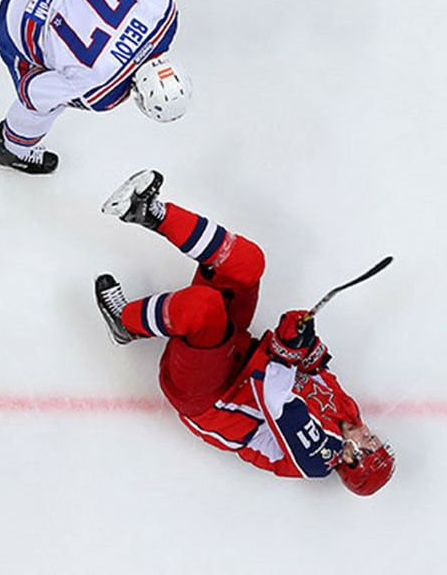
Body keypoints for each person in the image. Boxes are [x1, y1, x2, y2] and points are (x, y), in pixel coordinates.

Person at [93, 170, 395, 494]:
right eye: (376, 440)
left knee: (203, 307)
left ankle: (125, 324)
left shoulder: (318, 456)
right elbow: (315, 368)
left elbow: (277, 399)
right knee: (247, 263)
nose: (370, 434)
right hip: (236, 351)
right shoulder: (349, 413)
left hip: (208, 393)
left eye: (370, 444)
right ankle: (151, 213)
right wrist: (303, 338)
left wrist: (285, 350)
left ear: (352, 458)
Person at [0, 0, 190, 175]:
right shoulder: (102, 93)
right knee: (46, 100)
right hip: (14, 17)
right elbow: (34, 93)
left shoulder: (163, 11)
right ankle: (11, 148)